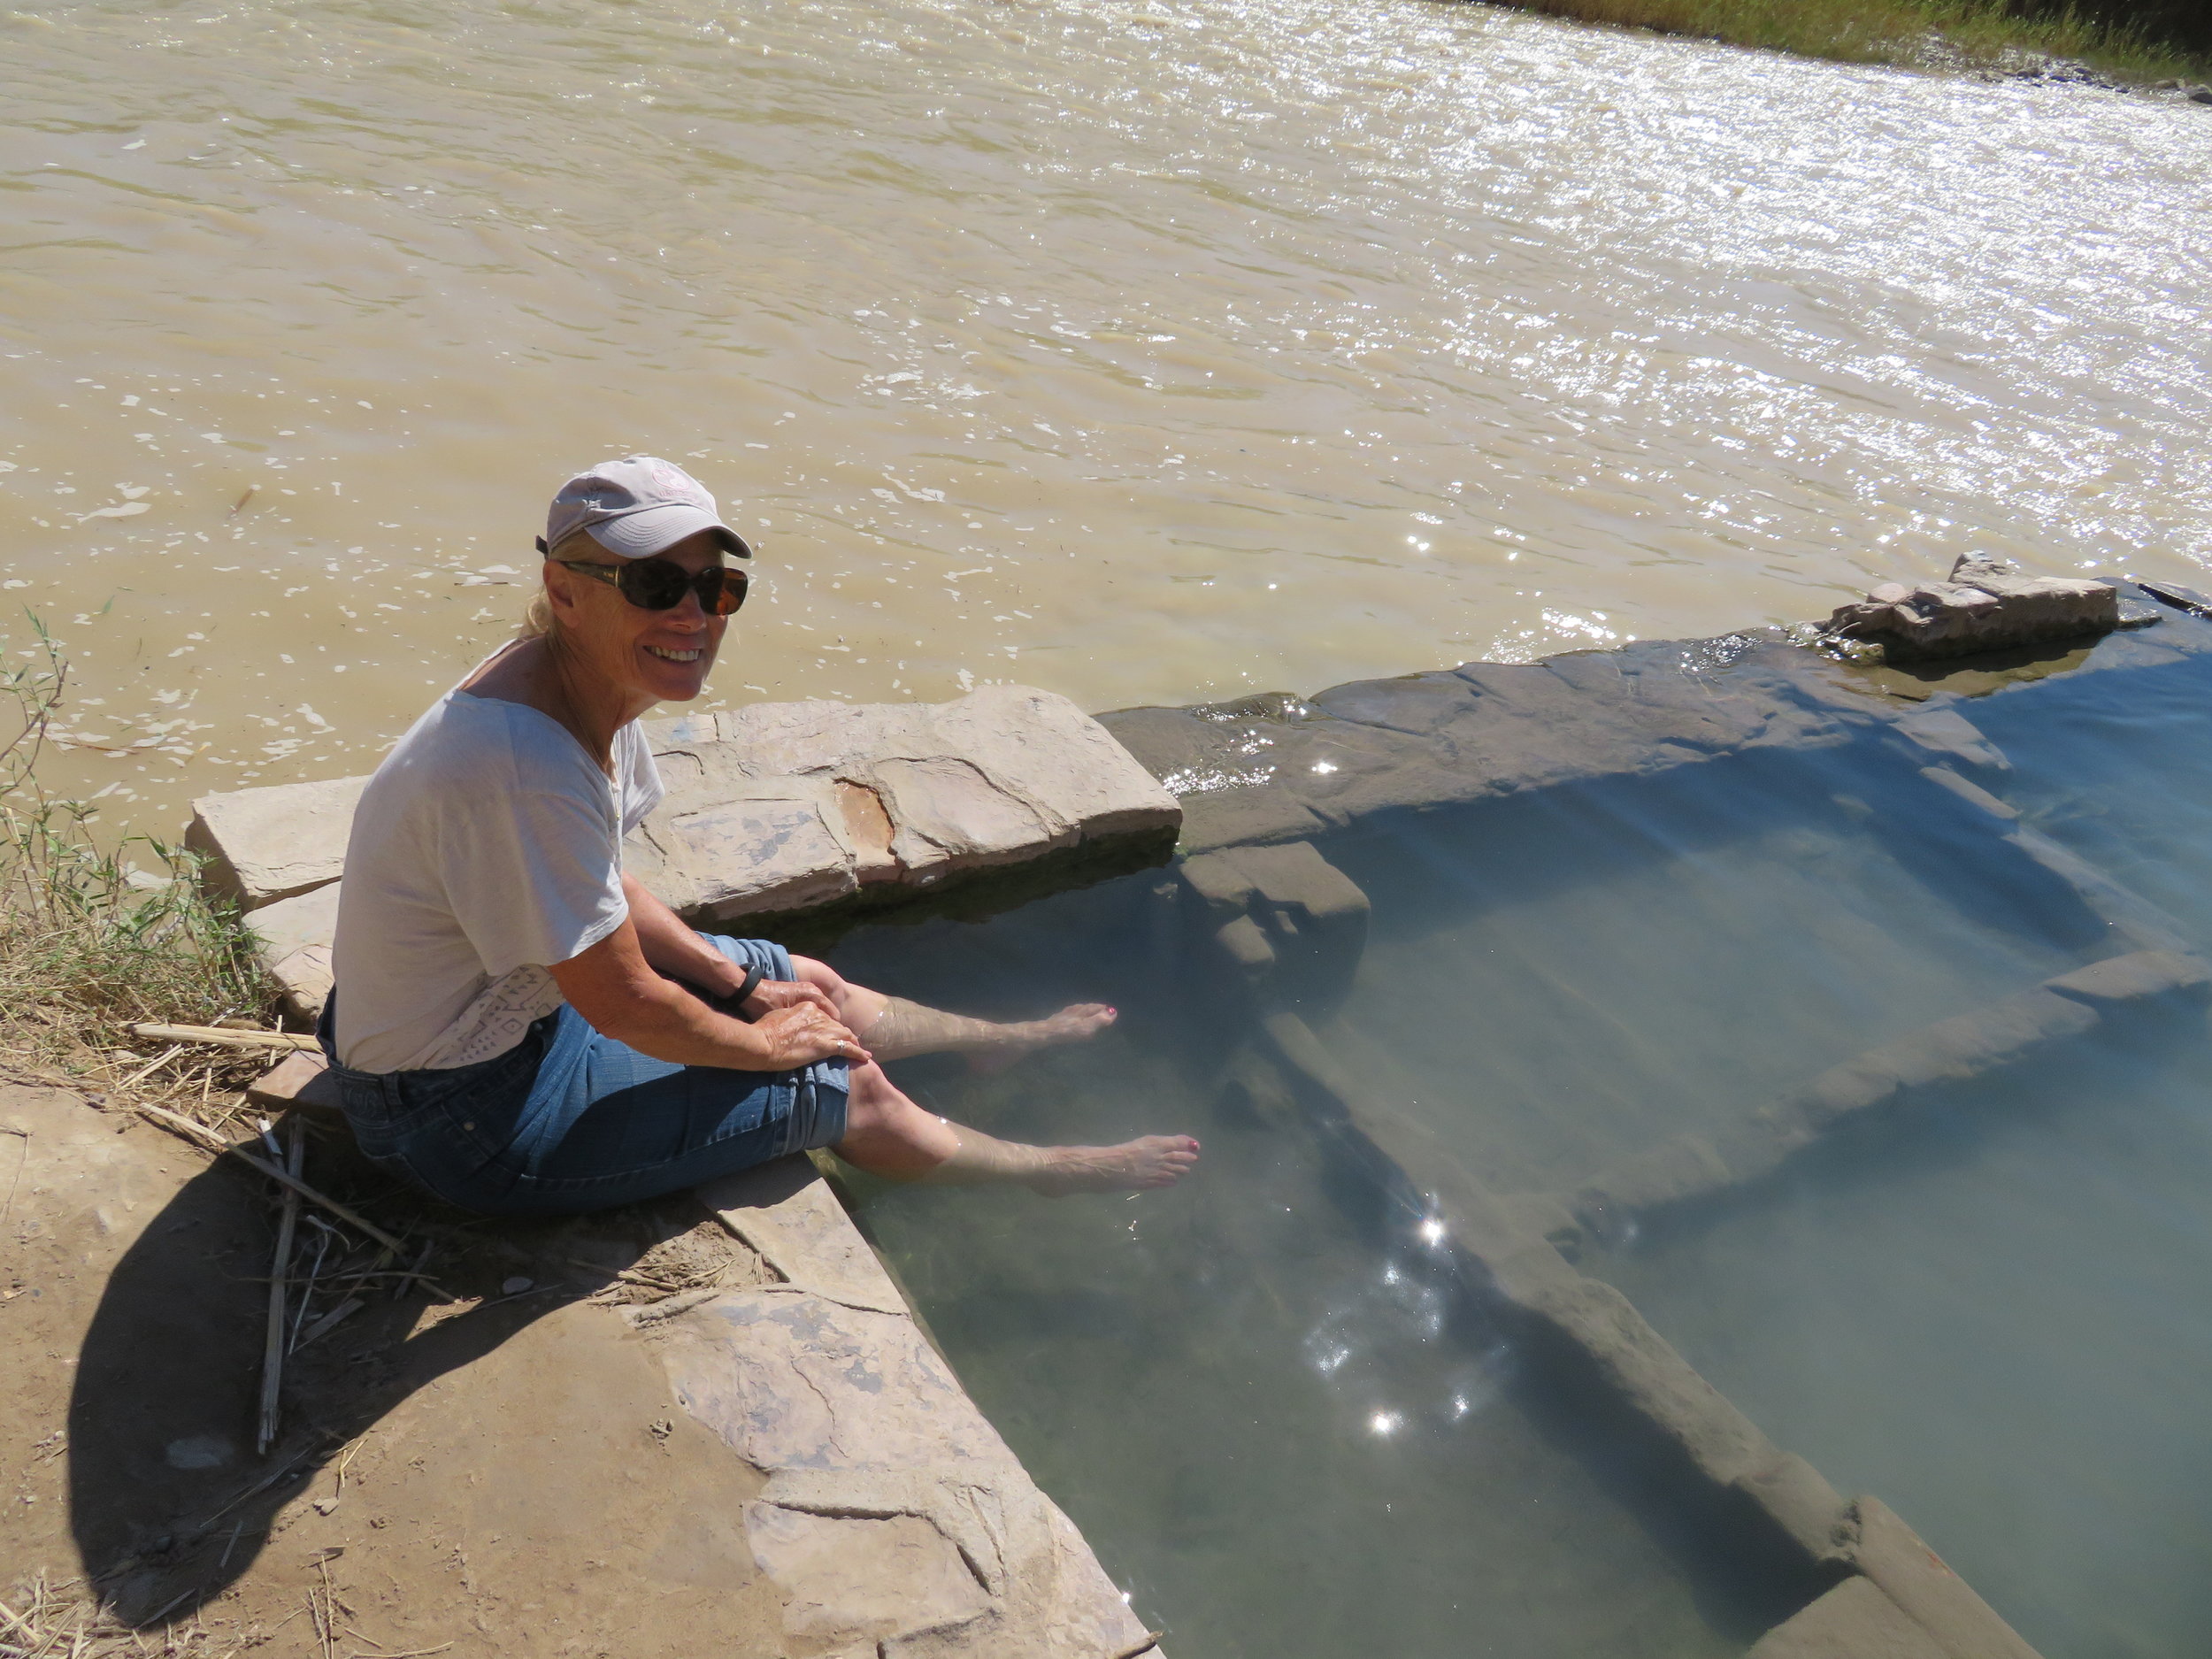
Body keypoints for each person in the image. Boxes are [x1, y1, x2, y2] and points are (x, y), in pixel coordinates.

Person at [321, 456, 1199, 1217]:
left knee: (806, 982)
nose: (694, 616)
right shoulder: (521, 766)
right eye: (655, 586)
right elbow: (621, 1003)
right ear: (564, 593)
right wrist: (759, 1042)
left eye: (716, 588)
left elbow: (600, 890)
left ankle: (1000, 1042)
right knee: (843, 1087)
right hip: (454, 1115)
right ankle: (1044, 1170)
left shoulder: (582, 684)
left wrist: (736, 982)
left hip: (520, 1019)